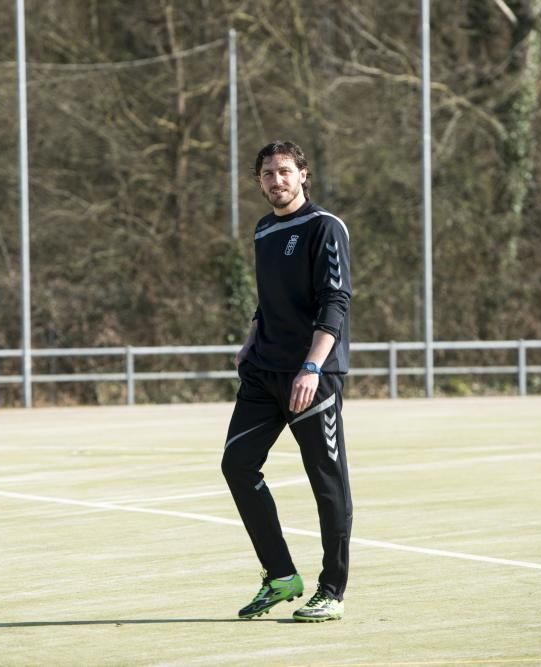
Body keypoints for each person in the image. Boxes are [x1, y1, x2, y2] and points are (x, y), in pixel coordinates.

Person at [222, 140, 353, 623]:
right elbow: (268, 300)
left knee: (327, 482)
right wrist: (250, 339)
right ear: (259, 181)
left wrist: (313, 366)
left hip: (311, 379)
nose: (276, 180)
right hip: (264, 373)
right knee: (236, 465)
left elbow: (334, 301)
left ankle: (332, 589)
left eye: (284, 171)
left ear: (303, 175)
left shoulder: (324, 227)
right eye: (267, 174)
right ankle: (280, 576)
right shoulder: (262, 230)